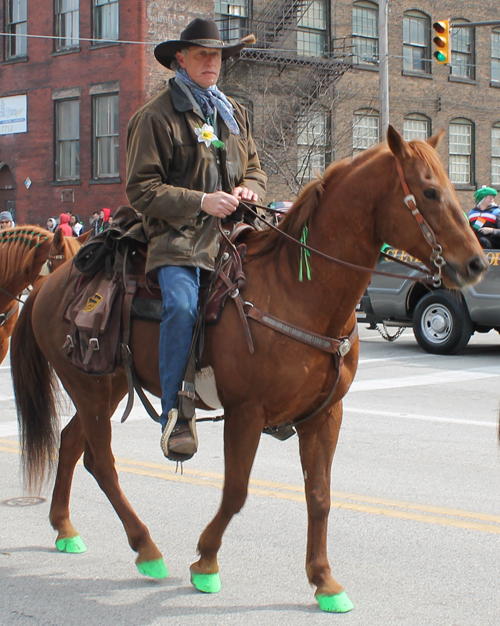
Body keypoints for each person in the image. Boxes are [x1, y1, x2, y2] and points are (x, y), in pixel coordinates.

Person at [126, 17, 267, 461]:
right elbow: (141, 190)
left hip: (235, 232)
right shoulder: (155, 117)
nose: (213, 62)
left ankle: (272, 397)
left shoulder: (233, 112)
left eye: (218, 56)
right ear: (180, 60)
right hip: (178, 238)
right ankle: (177, 412)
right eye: (203, 55)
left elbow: (255, 168)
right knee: (183, 305)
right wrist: (202, 201)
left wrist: (250, 189)